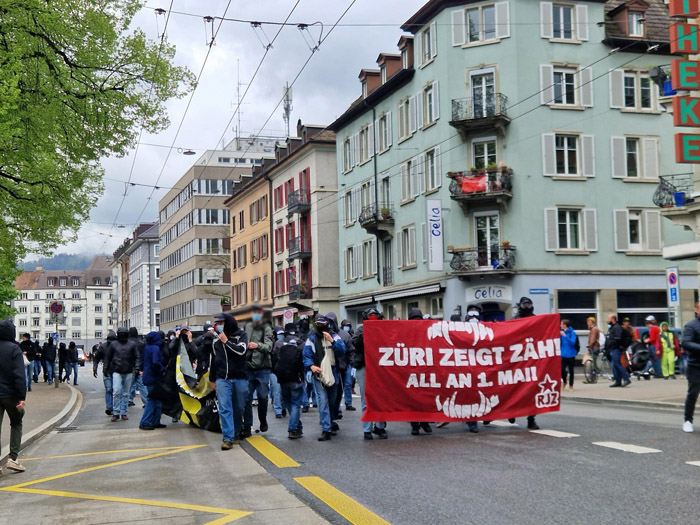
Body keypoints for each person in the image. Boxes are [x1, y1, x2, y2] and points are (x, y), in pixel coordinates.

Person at [303, 314, 347, 441]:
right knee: (322, 401)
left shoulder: (334, 336)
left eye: (323, 324)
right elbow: (306, 355)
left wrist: (332, 341)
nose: (321, 327)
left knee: (333, 401)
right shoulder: (311, 339)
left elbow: (342, 351)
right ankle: (325, 429)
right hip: (319, 372)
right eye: (318, 325)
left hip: (333, 371)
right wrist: (311, 366)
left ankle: (333, 421)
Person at [210, 313, 249, 449]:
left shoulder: (241, 335)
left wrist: (226, 341)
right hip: (222, 379)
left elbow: (241, 351)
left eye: (222, 323)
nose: (219, 326)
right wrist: (212, 378)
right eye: (217, 323)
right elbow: (214, 361)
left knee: (238, 407)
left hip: (239, 377)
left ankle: (237, 431)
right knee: (225, 408)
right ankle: (228, 438)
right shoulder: (216, 341)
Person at [350, 308, 388, 440]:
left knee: (381, 399)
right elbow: (355, 342)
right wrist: (368, 329)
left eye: (374, 316)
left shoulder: (383, 328)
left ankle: (380, 427)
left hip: (380, 367)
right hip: (364, 365)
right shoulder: (361, 329)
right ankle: (367, 429)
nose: (373, 318)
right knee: (365, 399)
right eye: (370, 316)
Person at [0, 321, 27, 475]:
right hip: (10, 395)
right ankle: (13, 459)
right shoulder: (14, 349)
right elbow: (19, 375)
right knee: (16, 422)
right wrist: (21, 397)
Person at [243, 305, 274, 436]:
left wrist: (258, 345)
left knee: (262, 397)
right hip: (248, 367)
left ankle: (263, 420)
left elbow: (269, 347)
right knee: (247, 398)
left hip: (263, 369)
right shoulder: (247, 326)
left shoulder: (267, 328)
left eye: (257, 313)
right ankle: (247, 426)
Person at [510, 297, 540, 429]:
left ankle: (531, 419)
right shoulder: (515, 320)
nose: (526, 306)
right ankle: (511, 412)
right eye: (524, 304)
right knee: (514, 388)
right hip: (517, 359)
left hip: (532, 359)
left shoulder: (536, 319)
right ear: (520, 305)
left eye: (529, 304)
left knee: (532, 390)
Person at [272, 323, 305, 439]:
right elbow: (305, 360)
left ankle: (297, 426)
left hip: (283, 379)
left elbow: (274, 359)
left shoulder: (279, 343)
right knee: (296, 403)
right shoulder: (301, 343)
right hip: (296, 378)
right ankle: (293, 429)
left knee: (289, 403)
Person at [407, 308, 434, 436]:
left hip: (425, 368)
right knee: (413, 399)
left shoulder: (427, 331)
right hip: (412, 369)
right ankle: (415, 425)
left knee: (424, 397)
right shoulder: (406, 332)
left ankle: (424, 422)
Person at [104, 327, 140, 422]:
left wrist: (136, 366)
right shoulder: (114, 344)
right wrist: (106, 368)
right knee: (116, 391)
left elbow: (137, 356)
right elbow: (108, 357)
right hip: (117, 371)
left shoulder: (131, 345)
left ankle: (123, 412)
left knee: (125, 393)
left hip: (128, 371)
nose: (123, 336)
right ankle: (116, 412)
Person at [327, 312, 355, 415]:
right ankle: (336, 410)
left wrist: (352, 365)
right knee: (333, 390)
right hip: (331, 367)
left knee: (344, 387)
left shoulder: (344, 335)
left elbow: (351, 350)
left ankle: (343, 405)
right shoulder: (324, 334)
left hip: (344, 366)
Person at [139, 331, 168, 431]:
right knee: (152, 400)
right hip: (154, 376)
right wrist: (162, 369)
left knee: (156, 400)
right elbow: (155, 362)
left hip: (148, 375)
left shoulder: (147, 347)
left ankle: (155, 421)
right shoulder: (155, 348)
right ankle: (145, 422)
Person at [681, 301, 700, 432]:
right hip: (695, 366)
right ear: (697, 310)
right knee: (693, 393)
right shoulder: (691, 325)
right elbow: (686, 343)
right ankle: (688, 420)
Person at [93, 330, 116, 415]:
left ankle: (114, 407)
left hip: (116, 371)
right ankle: (109, 407)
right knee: (109, 389)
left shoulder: (118, 346)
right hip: (107, 371)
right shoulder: (103, 347)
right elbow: (96, 358)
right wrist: (95, 368)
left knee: (115, 390)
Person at [605, 313, 631, 388]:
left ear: (613, 319)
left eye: (609, 318)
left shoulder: (617, 327)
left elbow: (617, 338)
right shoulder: (612, 328)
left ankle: (626, 378)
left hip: (616, 349)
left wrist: (618, 346)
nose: (608, 320)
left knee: (617, 364)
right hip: (612, 349)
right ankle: (618, 381)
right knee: (614, 365)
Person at [128, 327, 148, 408]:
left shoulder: (127, 343)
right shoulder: (141, 344)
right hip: (139, 367)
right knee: (142, 385)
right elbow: (143, 356)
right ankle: (146, 401)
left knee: (130, 384)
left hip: (129, 366)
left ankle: (129, 399)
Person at [270, 327, 286, 419]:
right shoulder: (271, 344)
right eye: (279, 334)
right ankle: (278, 410)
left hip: (284, 371)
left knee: (283, 391)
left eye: (282, 334)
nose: (281, 336)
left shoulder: (285, 343)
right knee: (277, 390)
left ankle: (283, 407)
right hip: (273, 371)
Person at [560, 320, 577, 392]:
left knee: (571, 371)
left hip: (571, 354)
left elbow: (573, 342)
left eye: (561, 324)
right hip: (563, 354)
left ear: (565, 325)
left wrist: (565, 336)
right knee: (562, 370)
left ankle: (571, 385)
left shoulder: (572, 333)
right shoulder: (560, 333)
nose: (560, 325)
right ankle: (564, 382)